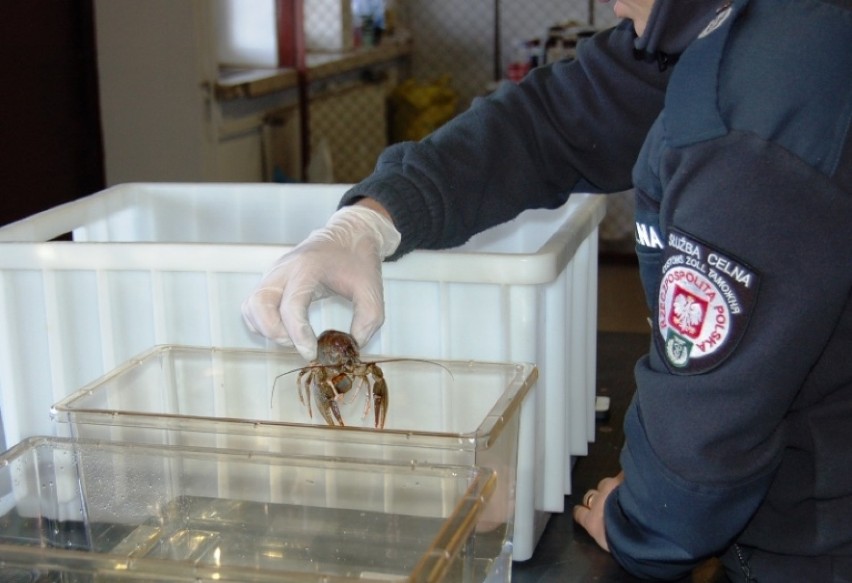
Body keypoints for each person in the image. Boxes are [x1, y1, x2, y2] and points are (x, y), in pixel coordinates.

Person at [242, 0, 852, 579]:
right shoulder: (707, 30)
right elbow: (550, 120)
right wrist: (374, 215)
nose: (613, 8)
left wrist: (649, 521)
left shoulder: (762, 102)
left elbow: (715, 410)